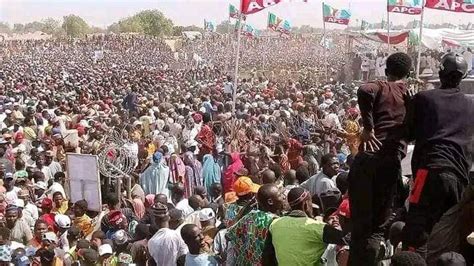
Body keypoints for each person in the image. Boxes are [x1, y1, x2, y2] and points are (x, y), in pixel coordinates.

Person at [403, 53, 474, 256]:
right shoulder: (472, 104)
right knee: (443, 227)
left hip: (429, 173)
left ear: (440, 73)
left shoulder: (424, 98)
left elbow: (408, 134)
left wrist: (410, 106)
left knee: (415, 235)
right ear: (463, 76)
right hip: (459, 181)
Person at [348, 52, 412, 265]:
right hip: (388, 163)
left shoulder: (381, 86)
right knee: (377, 228)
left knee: (360, 225)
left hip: (366, 160)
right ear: (409, 73)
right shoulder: (409, 95)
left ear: (386, 71)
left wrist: (369, 127)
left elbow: (364, 89)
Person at [268, 187, 346, 265]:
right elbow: (345, 239)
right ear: (305, 204)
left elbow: (268, 256)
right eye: (310, 202)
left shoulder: (275, 224)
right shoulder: (318, 228)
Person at [226, 184, 284, 266]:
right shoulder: (275, 222)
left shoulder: (249, 216)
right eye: (280, 195)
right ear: (270, 202)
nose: (283, 197)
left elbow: (228, 235)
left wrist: (241, 213)